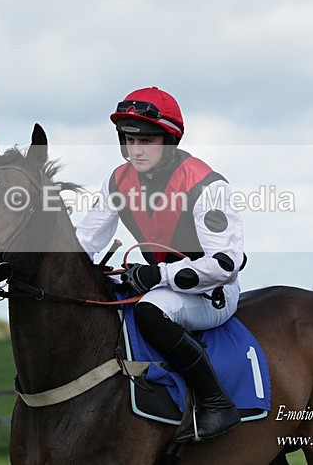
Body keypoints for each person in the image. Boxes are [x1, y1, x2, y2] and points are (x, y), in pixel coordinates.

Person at [75, 86, 245, 442]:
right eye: (128, 140)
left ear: (169, 140)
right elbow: (84, 242)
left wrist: (158, 274)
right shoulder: (118, 180)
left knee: (151, 311)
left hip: (212, 292)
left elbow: (225, 264)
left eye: (146, 140)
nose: (135, 150)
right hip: (163, 285)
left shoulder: (206, 183)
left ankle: (216, 404)